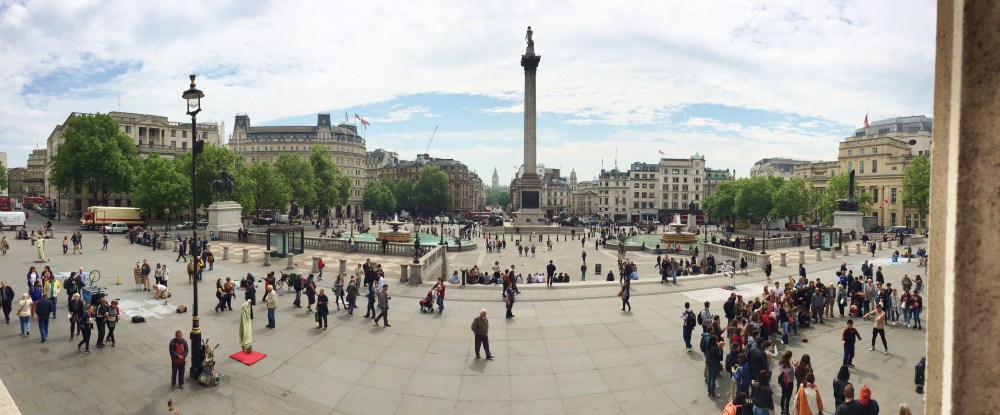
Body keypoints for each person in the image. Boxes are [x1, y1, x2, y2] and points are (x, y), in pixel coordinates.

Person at [705, 334, 723, 399]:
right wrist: (720, 348)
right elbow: (719, 356)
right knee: (713, 379)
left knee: (709, 378)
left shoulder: (709, 346)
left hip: (709, 363)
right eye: (716, 339)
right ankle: (713, 393)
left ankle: (709, 392)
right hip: (714, 364)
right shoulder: (716, 349)